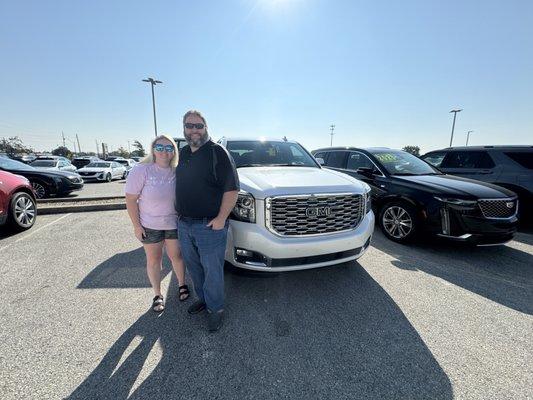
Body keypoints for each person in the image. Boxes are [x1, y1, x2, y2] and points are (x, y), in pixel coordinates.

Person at [175, 110, 239, 332]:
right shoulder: (183, 153)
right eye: (190, 125)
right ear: (184, 128)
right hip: (184, 224)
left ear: (206, 127)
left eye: (198, 126)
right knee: (194, 267)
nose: (194, 130)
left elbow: (232, 190)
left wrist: (221, 218)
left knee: (212, 270)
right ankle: (203, 300)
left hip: (210, 225)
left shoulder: (217, 152)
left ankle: (216, 309)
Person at [125, 134, 189, 313]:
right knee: (154, 260)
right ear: (153, 150)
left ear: (174, 152)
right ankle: (157, 294)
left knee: (176, 256)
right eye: (159, 148)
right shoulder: (141, 170)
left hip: (173, 224)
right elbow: (130, 200)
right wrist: (137, 226)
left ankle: (182, 285)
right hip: (149, 225)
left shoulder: (178, 170)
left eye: (169, 148)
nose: (164, 152)